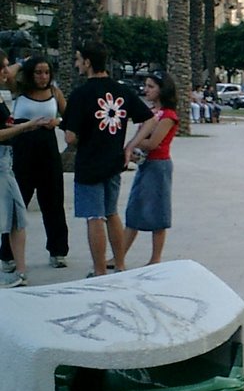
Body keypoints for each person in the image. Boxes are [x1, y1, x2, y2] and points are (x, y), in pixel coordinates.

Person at [62, 41, 156, 277]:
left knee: (94, 216)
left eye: (78, 59)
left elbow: (70, 137)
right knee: (111, 212)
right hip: (115, 162)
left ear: (88, 62)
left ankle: (99, 270)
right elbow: (150, 119)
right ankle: (120, 264)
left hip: (89, 164)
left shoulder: (81, 94)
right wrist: (130, 146)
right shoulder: (122, 91)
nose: (76, 64)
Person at [0, 56, 70, 271]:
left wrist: (56, 122)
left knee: (53, 200)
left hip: (48, 149)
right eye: (38, 72)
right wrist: (23, 61)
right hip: (23, 149)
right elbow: (7, 74)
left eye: (46, 72)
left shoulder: (54, 93)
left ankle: (58, 251)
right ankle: (8, 255)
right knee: (17, 201)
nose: (43, 77)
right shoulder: (19, 89)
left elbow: (69, 117)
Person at [123, 71, 179, 266]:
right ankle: (119, 255)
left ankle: (155, 258)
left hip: (158, 166)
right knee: (134, 209)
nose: (145, 90)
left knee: (158, 211)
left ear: (162, 90)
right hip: (145, 164)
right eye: (145, 86)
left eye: (151, 86)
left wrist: (130, 144)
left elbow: (154, 142)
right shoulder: (151, 112)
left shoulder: (168, 116)